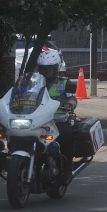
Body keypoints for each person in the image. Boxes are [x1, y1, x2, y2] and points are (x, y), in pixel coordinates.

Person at [37, 49, 78, 184]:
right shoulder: (34, 82)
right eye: (43, 69)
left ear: (56, 68)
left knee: (67, 135)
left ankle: (67, 170)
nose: (46, 71)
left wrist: (69, 104)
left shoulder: (64, 83)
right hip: (37, 120)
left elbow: (73, 99)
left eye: (49, 69)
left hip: (58, 119)